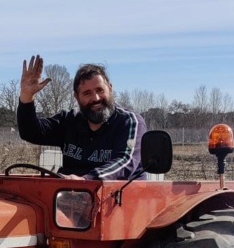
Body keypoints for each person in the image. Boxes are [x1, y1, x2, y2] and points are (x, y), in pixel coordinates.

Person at [16, 55, 146, 180]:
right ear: (77, 97)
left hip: (118, 197)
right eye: (87, 93)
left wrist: (87, 180)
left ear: (110, 89)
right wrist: (27, 95)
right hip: (69, 195)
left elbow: (126, 161)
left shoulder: (129, 122)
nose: (95, 98)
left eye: (100, 90)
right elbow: (30, 132)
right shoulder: (69, 121)